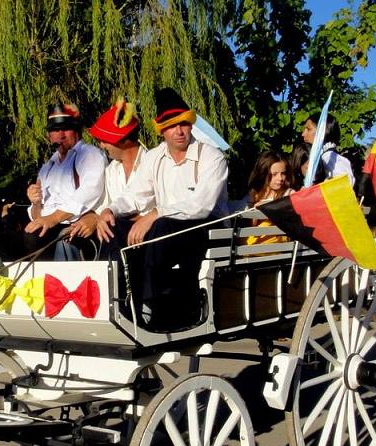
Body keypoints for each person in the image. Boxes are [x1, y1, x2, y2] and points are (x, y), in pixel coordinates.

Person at [97, 87, 228, 329]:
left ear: (190, 124)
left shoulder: (212, 157)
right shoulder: (155, 157)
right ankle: (120, 300)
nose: (178, 131)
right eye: (170, 125)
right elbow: (135, 195)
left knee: (160, 227)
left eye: (183, 124)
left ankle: (151, 304)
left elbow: (201, 206)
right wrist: (110, 211)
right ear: (162, 130)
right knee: (114, 227)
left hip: (205, 228)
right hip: (166, 228)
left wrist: (155, 214)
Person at [24, 102, 106, 260]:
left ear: (77, 130)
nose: (60, 135)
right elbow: (36, 216)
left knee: (33, 237)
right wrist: (35, 203)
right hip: (47, 227)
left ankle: (48, 282)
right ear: (49, 135)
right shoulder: (47, 167)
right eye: (55, 130)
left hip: (75, 226)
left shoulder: (89, 154)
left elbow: (90, 191)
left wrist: (52, 219)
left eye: (66, 129)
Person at [67, 97, 148, 241]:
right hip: (116, 235)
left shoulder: (152, 164)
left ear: (123, 140)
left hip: (149, 235)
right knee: (70, 238)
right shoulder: (112, 170)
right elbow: (103, 207)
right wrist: (91, 218)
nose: (101, 146)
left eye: (104, 140)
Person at [246, 150, 294, 245]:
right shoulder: (254, 194)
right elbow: (249, 226)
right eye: (274, 174)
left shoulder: (289, 194)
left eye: (283, 173)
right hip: (253, 246)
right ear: (264, 173)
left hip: (276, 246)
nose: (280, 178)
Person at [301, 113, 355, 186]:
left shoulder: (328, 157)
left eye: (308, 129)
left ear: (322, 132)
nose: (303, 134)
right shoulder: (324, 156)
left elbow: (345, 185)